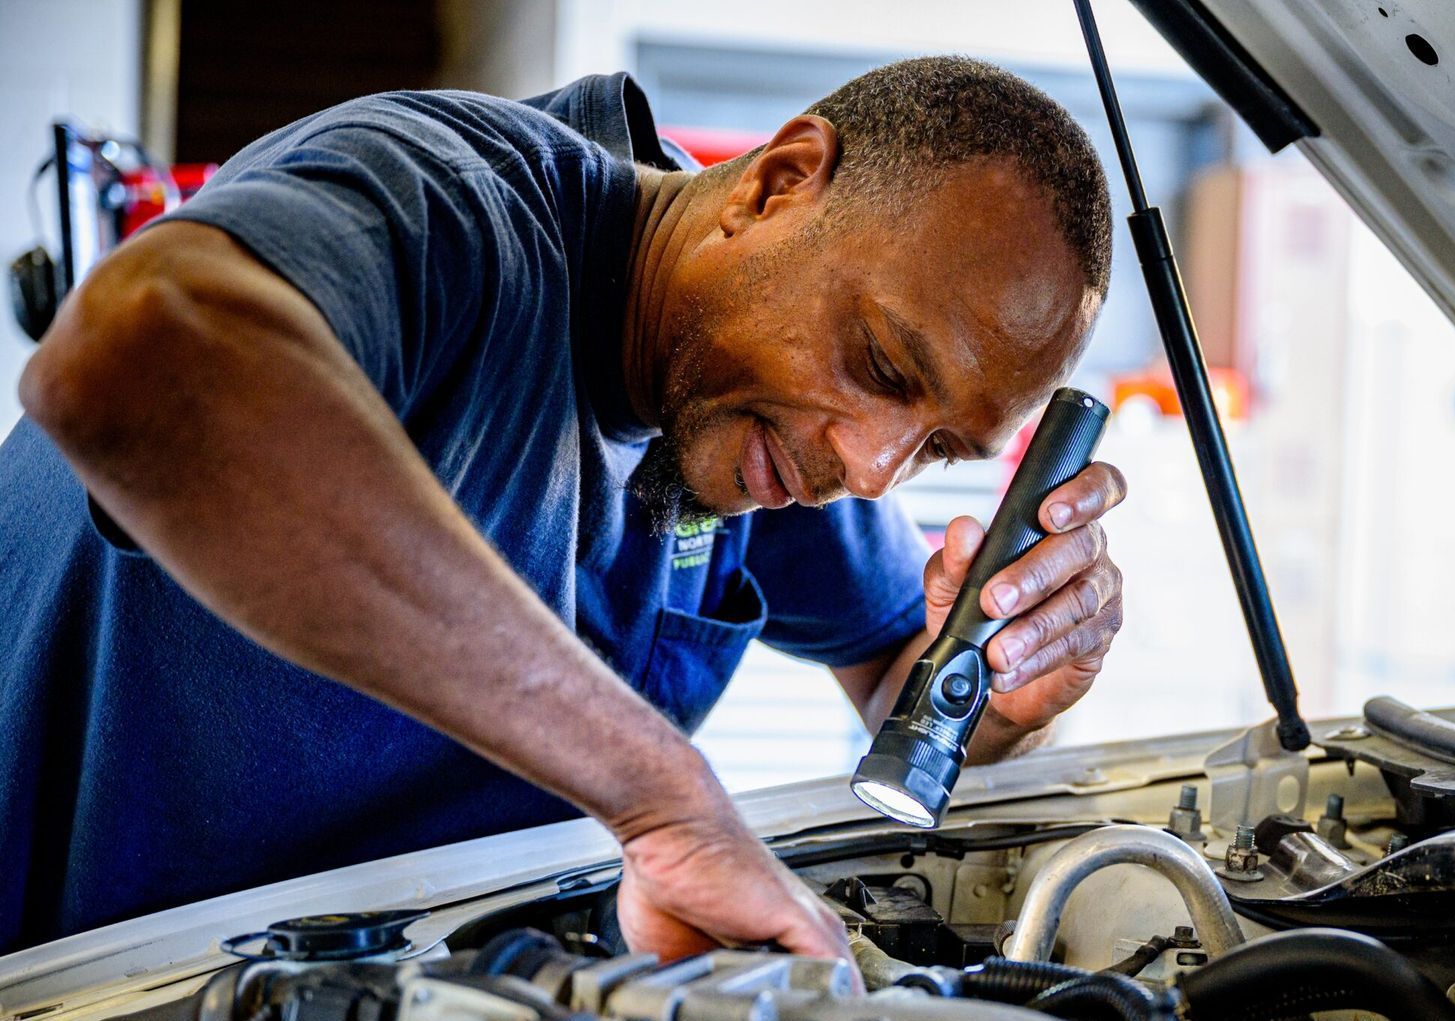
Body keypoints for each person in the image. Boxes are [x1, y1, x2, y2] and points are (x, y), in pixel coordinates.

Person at [0, 56, 1126, 961]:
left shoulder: (772, 409)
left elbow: (899, 670)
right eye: (882, 364)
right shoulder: (446, 205)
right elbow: (123, 366)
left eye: (939, 447)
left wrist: (1001, 689)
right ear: (777, 186)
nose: (873, 468)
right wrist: (662, 791)